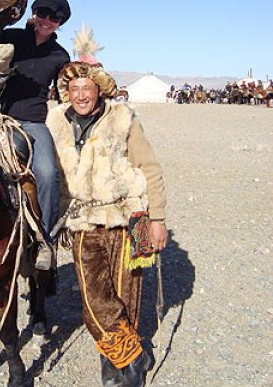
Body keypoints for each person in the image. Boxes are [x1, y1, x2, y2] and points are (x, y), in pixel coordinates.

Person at [46, 59, 168, 386]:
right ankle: (134, 356)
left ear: (99, 90)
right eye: (74, 89)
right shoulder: (54, 122)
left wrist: (157, 219)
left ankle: (114, 365)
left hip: (125, 217)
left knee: (126, 297)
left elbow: (151, 169)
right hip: (82, 219)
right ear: (66, 92)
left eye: (87, 88)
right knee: (94, 301)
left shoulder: (122, 119)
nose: (81, 95)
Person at [0, 0, 71, 270]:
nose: (47, 20)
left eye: (55, 17)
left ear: (61, 23)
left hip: (35, 121)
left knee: (48, 174)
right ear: (33, 13)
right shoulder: (11, 37)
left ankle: (45, 242)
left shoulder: (60, 55)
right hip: (0, 117)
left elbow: (66, 92)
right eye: (43, 13)